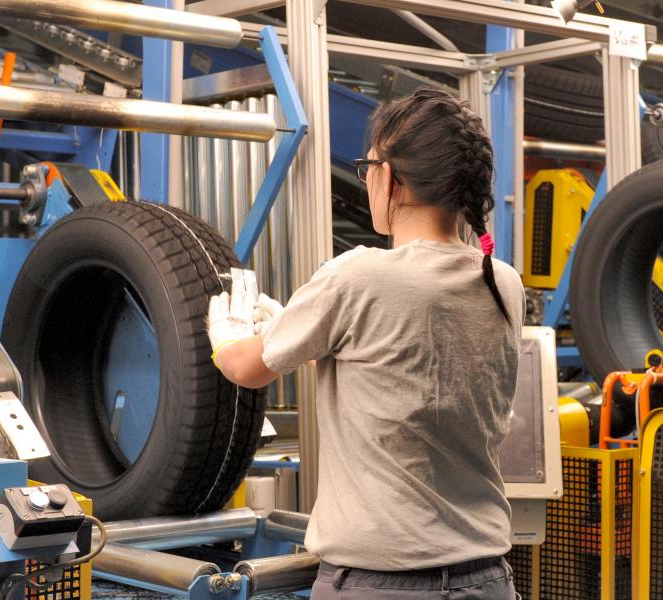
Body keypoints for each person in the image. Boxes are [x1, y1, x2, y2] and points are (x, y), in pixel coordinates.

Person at [205, 88, 525, 599]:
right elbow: (406, 367)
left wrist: (226, 334)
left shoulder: (357, 277)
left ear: (391, 177)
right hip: (486, 580)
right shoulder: (502, 281)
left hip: (381, 585)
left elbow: (245, 367)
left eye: (368, 165)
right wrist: (304, 332)